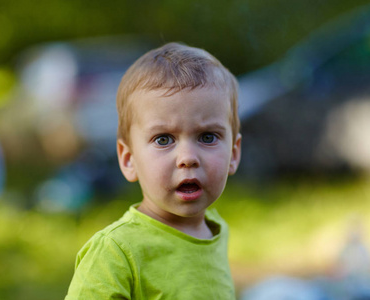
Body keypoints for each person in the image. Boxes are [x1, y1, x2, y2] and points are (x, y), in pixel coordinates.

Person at [65, 42, 242, 299]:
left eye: (207, 137)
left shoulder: (216, 231)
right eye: (163, 139)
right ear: (129, 159)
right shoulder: (116, 253)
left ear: (233, 155)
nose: (188, 158)